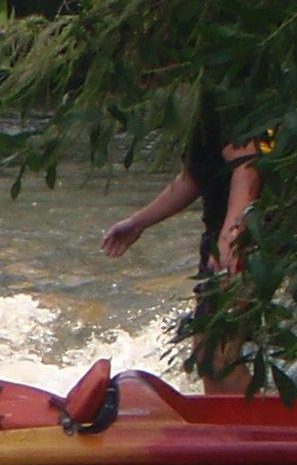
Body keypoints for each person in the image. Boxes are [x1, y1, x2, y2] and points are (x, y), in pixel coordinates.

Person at [100, 104, 268, 384]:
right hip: (221, 237)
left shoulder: (230, 97)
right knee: (208, 355)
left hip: (248, 240)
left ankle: (254, 426)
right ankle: (225, 424)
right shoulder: (204, 107)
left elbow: (247, 166)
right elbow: (193, 177)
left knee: (218, 357)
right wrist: (138, 222)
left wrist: (232, 237)